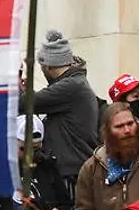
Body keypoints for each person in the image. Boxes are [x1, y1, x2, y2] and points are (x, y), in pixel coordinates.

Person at [29, 30, 100, 195]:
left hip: (72, 174)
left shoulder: (70, 87)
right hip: (73, 170)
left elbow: (28, 103)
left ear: (48, 66)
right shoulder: (75, 84)